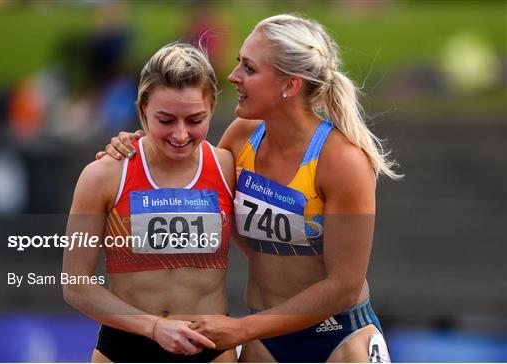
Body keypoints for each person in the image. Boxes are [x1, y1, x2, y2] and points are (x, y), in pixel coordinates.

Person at [100, 14, 400, 363]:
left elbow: (345, 287)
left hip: (338, 336)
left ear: (290, 85)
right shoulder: (242, 137)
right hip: (266, 340)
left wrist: (242, 330)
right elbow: (190, 178)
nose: (233, 76)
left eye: (249, 68)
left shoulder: (343, 161)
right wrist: (135, 144)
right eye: (238, 62)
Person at [63, 42, 237, 363]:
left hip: (208, 349)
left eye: (196, 119)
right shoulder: (105, 175)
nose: (181, 135)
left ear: (212, 107)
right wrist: (155, 327)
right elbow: (75, 284)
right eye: (166, 120)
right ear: (142, 109)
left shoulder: (228, 167)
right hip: (126, 347)